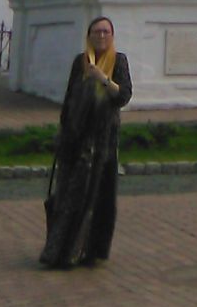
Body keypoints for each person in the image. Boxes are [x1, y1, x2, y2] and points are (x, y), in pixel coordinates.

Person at [39, 15, 132, 269]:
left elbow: (123, 96)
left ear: (112, 36)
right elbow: (70, 97)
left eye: (105, 32)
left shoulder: (118, 61)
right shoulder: (80, 62)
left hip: (103, 139)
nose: (101, 36)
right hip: (77, 138)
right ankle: (62, 249)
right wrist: (63, 131)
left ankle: (91, 250)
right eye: (96, 32)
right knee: (71, 195)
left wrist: (102, 78)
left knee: (99, 196)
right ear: (89, 36)